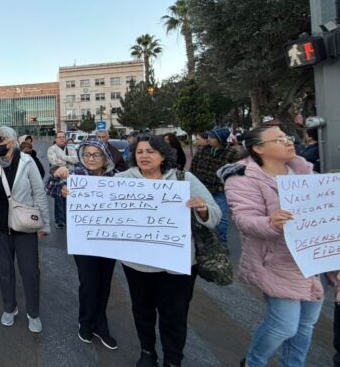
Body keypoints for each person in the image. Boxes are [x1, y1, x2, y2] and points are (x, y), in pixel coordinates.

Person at [220, 127, 321, 367]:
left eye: (287, 137)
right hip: (275, 261)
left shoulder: (305, 172)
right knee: (284, 325)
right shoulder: (243, 179)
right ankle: (254, 362)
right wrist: (271, 222)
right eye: (279, 139)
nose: (288, 142)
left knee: (306, 324)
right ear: (258, 148)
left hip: (311, 259)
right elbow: (244, 219)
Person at [117, 134, 220, 367]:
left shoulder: (185, 179)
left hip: (177, 265)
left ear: (164, 155)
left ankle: (173, 360)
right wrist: (76, 195)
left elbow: (215, 215)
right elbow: (101, 203)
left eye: (150, 151)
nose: (144, 156)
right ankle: (147, 352)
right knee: (142, 311)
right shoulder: (123, 179)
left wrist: (202, 209)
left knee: (174, 316)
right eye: (140, 151)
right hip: (137, 264)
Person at [48, 139, 119, 349]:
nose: (90, 158)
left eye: (95, 154)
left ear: (105, 157)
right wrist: (56, 177)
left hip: (109, 240)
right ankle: (86, 322)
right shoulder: (76, 174)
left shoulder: (116, 178)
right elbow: (51, 189)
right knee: (89, 283)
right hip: (84, 239)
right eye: (86, 154)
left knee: (104, 284)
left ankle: (101, 324)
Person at [0, 126, 50, 333]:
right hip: (0, 228)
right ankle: (9, 308)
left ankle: (33, 313)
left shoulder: (27, 162)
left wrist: (45, 223)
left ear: (11, 141)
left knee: (30, 272)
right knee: (5, 272)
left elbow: (39, 193)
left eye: (0, 139)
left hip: (25, 227)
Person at [189, 127, 239, 247]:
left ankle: (222, 245)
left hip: (219, 192)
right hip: (201, 189)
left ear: (220, 139)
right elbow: (193, 167)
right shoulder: (202, 150)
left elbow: (235, 174)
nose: (209, 139)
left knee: (220, 220)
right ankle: (206, 246)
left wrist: (226, 187)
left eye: (212, 137)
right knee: (199, 218)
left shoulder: (232, 154)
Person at [47, 131, 78, 228]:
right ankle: (59, 220)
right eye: (59, 137)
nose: (61, 139)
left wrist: (62, 157)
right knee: (59, 198)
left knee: (69, 198)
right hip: (58, 176)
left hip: (70, 176)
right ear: (55, 139)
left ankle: (69, 219)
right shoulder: (51, 149)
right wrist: (68, 160)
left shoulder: (70, 148)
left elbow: (76, 160)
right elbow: (53, 161)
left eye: (63, 137)